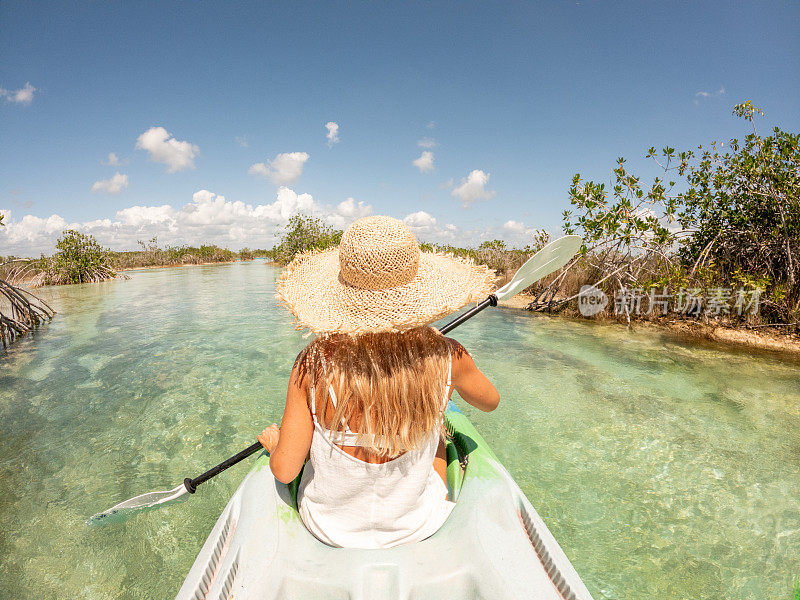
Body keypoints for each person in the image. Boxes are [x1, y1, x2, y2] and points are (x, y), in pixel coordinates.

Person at [258, 215, 500, 549]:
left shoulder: (311, 365)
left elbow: (285, 471)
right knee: (440, 437)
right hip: (418, 524)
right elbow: (490, 402)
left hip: (328, 528)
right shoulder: (448, 357)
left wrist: (276, 446)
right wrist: (445, 374)